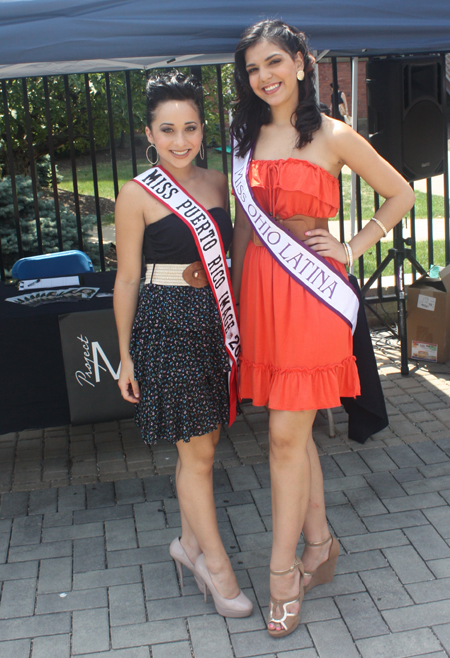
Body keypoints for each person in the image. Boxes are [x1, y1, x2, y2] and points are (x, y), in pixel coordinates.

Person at [231, 20, 414, 638]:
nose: (266, 77)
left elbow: (401, 193)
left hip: (312, 297)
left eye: (276, 61)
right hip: (260, 292)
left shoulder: (334, 134)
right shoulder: (245, 137)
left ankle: (283, 575)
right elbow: (241, 228)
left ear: (303, 63)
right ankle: (320, 547)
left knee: (285, 437)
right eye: (254, 68)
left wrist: (354, 245)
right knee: (293, 425)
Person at [113, 71, 252, 619]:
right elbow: (126, 279)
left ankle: (187, 544)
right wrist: (125, 354)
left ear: (202, 129)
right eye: (167, 129)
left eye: (189, 127)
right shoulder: (135, 194)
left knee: (201, 446)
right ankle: (216, 569)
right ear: (150, 132)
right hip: (166, 325)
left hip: (214, 322)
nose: (179, 140)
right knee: (198, 452)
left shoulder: (220, 183)